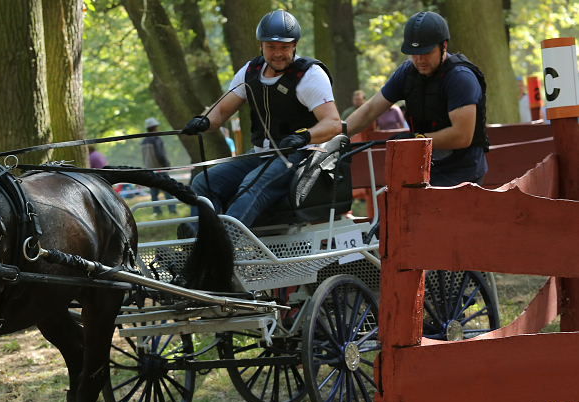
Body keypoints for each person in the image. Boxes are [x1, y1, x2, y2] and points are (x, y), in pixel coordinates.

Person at [178, 9, 340, 235]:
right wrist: (203, 122)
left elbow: (333, 124)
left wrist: (303, 136)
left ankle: (222, 248)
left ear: (294, 45)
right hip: (261, 155)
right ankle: (198, 243)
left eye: (284, 47)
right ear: (261, 45)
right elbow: (221, 110)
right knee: (203, 182)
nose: (278, 54)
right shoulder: (250, 72)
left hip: (300, 157)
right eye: (271, 47)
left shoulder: (310, 75)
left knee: (250, 187)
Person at [346, 11, 488, 186]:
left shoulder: (460, 77)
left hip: (461, 174)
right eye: (414, 53)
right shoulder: (406, 73)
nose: (420, 59)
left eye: (426, 52)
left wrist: (416, 139)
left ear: (443, 45)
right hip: (421, 169)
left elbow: (462, 136)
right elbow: (370, 109)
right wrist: (338, 136)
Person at [141, 117, 176, 214]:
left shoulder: (144, 141)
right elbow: (160, 154)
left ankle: (156, 211)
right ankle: (172, 209)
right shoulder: (156, 139)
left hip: (149, 169)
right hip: (160, 168)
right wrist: (166, 163)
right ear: (155, 127)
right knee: (168, 189)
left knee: (154, 192)